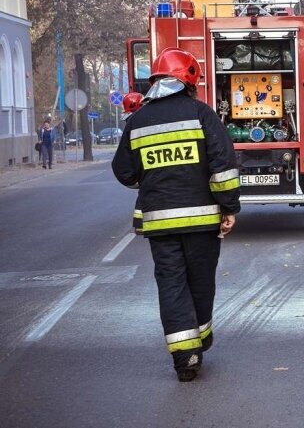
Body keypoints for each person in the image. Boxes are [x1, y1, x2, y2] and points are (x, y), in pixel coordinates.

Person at [112, 48, 241, 382]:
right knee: (200, 281)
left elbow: (124, 171)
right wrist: (228, 207)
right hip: (201, 220)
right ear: (189, 79)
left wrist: (151, 177)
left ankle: (186, 358)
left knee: (171, 284)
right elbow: (223, 164)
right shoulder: (201, 113)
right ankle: (200, 337)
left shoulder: (137, 120)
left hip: (160, 223)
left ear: (155, 80)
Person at [119, 92, 145, 234]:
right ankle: (140, 224)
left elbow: (121, 164)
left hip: (141, 166)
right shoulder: (145, 119)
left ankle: (140, 224)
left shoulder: (131, 122)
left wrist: (134, 180)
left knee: (144, 191)